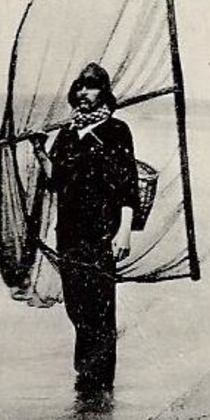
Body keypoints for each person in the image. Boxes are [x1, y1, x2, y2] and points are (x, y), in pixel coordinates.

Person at [32, 63, 138, 393]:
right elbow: (54, 180)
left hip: (102, 232)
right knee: (77, 305)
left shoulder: (116, 130)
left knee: (100, 307)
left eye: (90, 87)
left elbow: (128, 185)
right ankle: (86, 376)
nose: (83, 93)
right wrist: (39, 150)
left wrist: (124, 230)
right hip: (69, 233)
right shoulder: (66, 134)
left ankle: (99, 383)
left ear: (103, 92)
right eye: (79, 87)